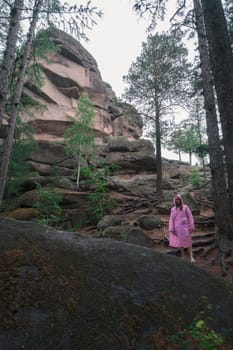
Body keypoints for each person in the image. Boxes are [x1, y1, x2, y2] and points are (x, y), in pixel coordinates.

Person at [169, 194, 196, 263]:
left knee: (188, 242)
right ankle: (183, 256)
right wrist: (171, 228)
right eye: (176, 200)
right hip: (177, 228)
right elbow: (171, 219)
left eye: (178, 199)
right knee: (180, 243)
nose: (177, 201)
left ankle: (191, 256)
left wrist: (191, 226)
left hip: (185, 228)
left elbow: (190, 217)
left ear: (181, 200)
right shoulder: (173, 209)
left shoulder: (185, 207)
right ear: (174, 201)